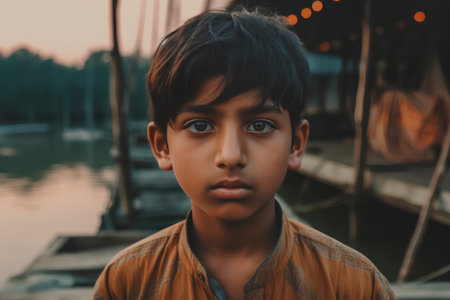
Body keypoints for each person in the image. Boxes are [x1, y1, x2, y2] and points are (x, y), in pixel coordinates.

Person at [94, 9, 395, 300]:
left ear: (296, 144)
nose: (231, 156)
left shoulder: (354, 285)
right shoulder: (127, 284)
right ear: (161, 145)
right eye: (200, 125)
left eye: (260, 125)